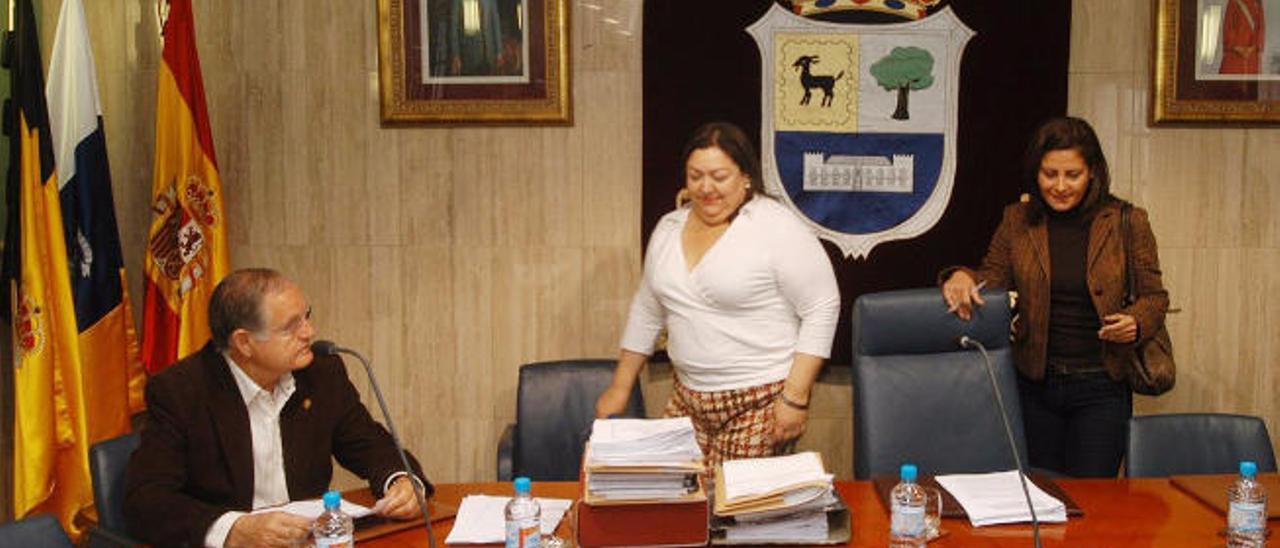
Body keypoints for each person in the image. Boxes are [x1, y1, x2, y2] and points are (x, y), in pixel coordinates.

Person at [124, 268, 430, 547]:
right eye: (290, 327)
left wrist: (401, 481)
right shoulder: (182, 391)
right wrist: (235, 529)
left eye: (306, 316)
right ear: (244, 342)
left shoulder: (321, 373)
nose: (309, 332)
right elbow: (147, 500)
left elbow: (369, 444)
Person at [595, 122, 840, 468]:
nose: (706, 187)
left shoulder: (776, 227)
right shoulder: (668, 228)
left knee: (736, 514)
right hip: (687, 396)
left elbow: (822, 306)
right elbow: (648, 309)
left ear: (746, 177)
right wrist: (621, 386)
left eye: (719, 176)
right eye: (696, 176)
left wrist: (795, 398)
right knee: (679, 502)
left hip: (761, 399)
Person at [940, 117, 1169, 478]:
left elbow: (1154, 297)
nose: (1060, 186)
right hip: (1034, 384)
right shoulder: (1017, 219)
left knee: (1094, 505)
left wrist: (1136, 322)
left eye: (1072, 175)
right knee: (1040, 495)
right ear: (1036, 173)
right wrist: (961, 276)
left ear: (1092, 172)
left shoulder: (1127, 220)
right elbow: (993, 278)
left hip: (1102, 386)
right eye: (1050, 174)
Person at [1220, 0, 1265, 74]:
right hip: (1234, 53)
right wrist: (1236, 47)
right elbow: (1228, 26)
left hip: (1252, 54)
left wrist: (1253, 47)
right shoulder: (1233, 2)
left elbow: (1261, 27)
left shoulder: (1258, 2)